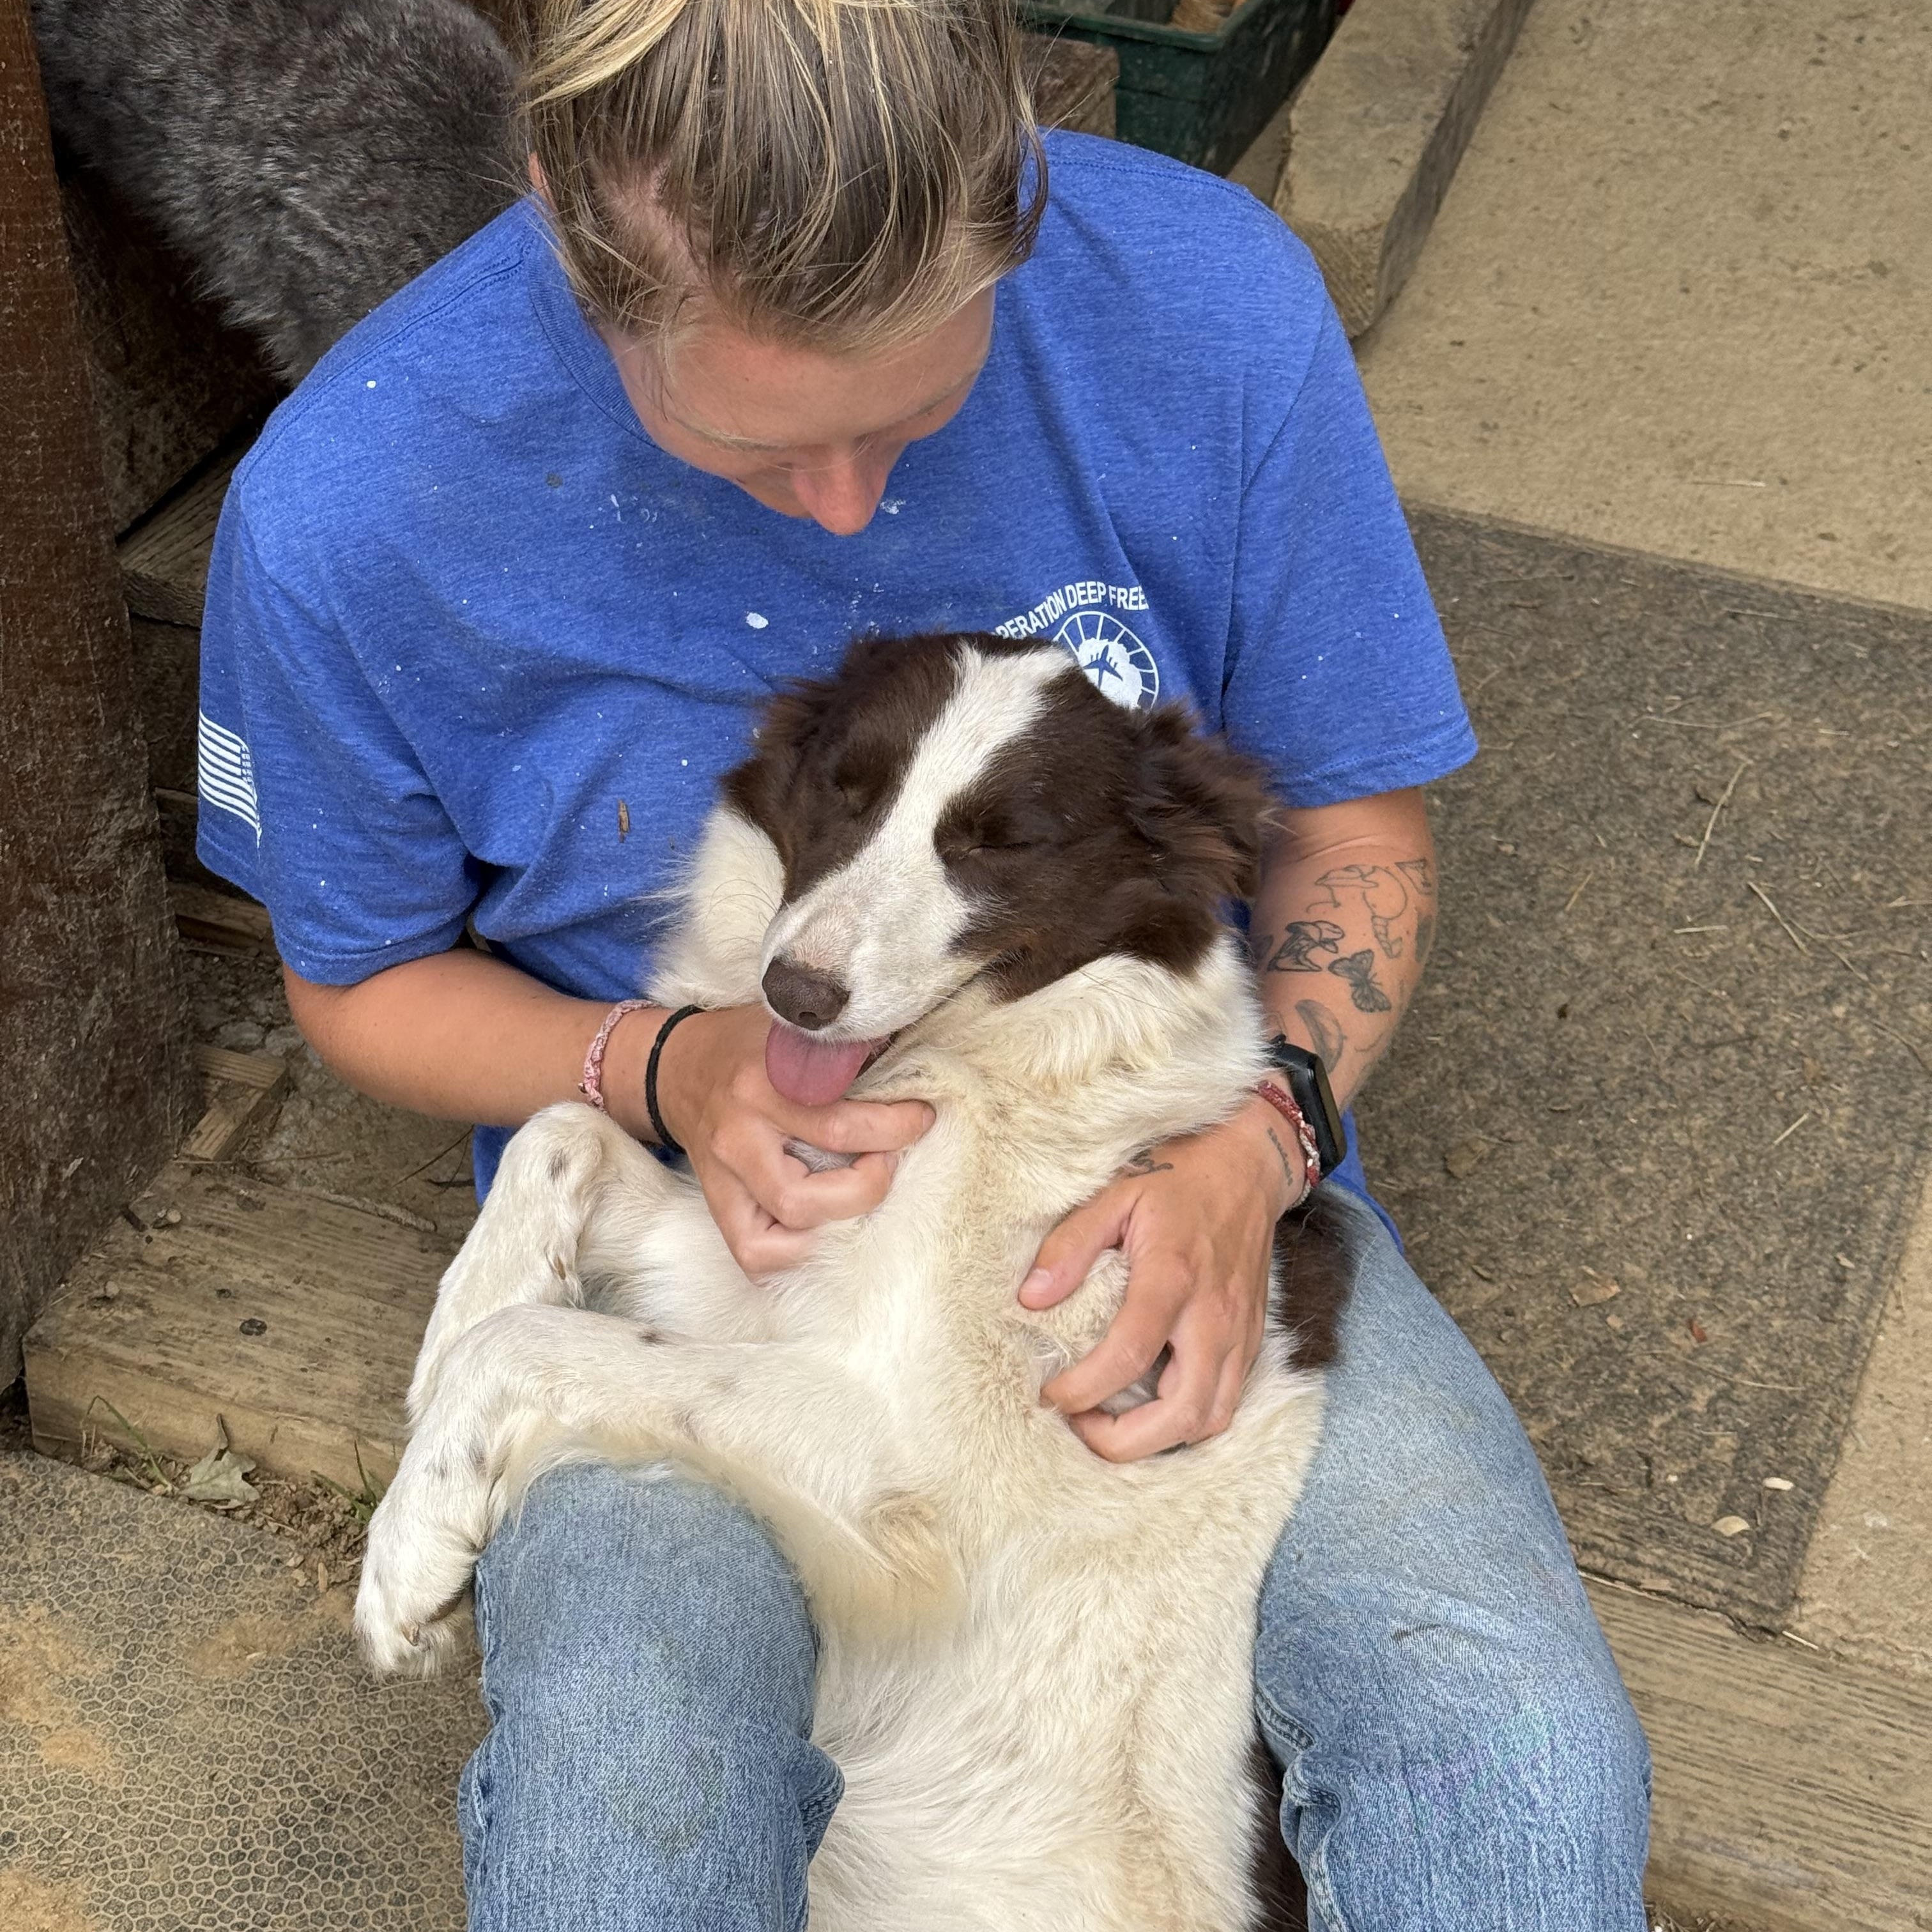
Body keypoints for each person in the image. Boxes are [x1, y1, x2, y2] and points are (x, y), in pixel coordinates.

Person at [194, 0, 1651, 1924]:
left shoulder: (1206, 302)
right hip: (702, 1268)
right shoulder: (350, 506)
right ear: (567, 225)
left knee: (1519, 1765)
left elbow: (1354, 828)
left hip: (1171, 1192)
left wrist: (1262, 1145)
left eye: (919, 413)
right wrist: (658, 1069)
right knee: (622, 1804)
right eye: (757, 442)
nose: (854, 513)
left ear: (1017, 198)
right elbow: (358, 981)